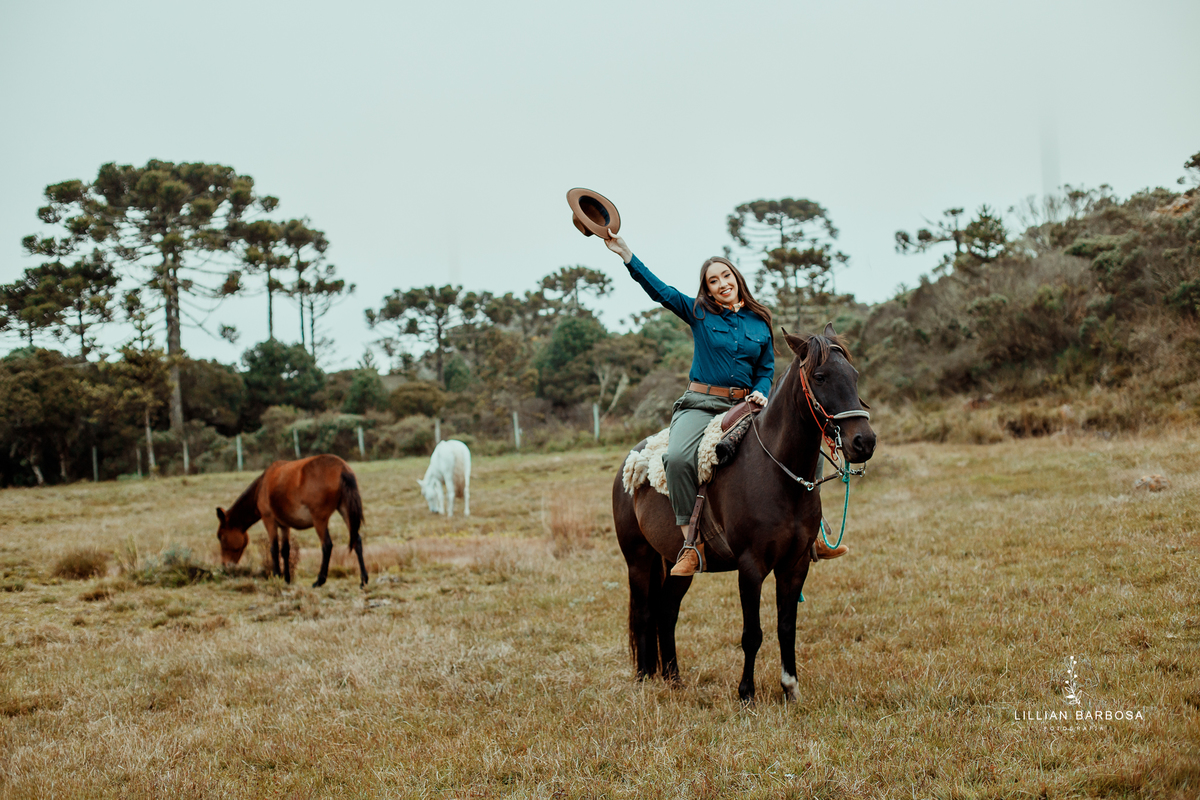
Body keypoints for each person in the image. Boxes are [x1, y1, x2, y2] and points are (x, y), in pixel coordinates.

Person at [603, 232, 850, 576]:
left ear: (737, 279)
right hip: (700, 404)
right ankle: (691, 544)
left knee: (806, 437)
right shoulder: (699, 312)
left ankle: (816, 535)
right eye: (713, 280)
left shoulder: (759, 320)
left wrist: (762, 390)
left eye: (726, 277)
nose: (722, 284)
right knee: (676, 459)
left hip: (747, 405)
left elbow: (765, 368)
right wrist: (627, 255)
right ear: (707, 288)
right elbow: (660, 291)